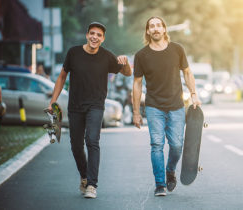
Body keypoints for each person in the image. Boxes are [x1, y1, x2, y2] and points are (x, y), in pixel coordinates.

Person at [47, 22, 131, 199]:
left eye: (99, 35)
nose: (95, 37)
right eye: (92, 33)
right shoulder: (73, 53)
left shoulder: (107, 56)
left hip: (96, 106)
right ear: (87, 35)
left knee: (92, 140)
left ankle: (92, 185)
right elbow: (62, 76)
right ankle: (84, 176)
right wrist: (53, 102)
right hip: (75, 106)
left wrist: (126, 62)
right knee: (76, 146)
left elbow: (128, 73)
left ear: (103, 39)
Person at [132, 16, 201, 196]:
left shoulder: (177, 49)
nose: (155, 29)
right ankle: (160, 184)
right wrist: (136, 112)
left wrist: (194, 95)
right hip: (154, 106)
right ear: (147, 31)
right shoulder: (141, 55)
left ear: (164, 29)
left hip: (176, 105)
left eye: (158, 25)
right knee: (156, 144)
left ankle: (170, 170)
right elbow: (137, 84)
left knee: (177, 145)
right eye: (151, 26)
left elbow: (187, 72)